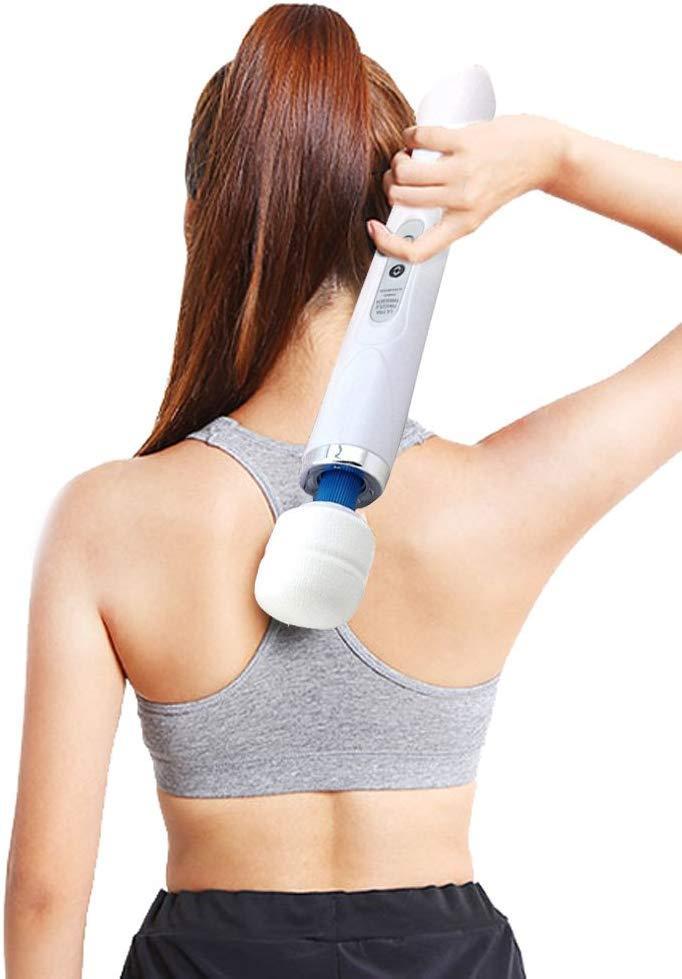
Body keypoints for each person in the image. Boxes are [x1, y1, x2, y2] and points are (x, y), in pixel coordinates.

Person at [5, 5, 680, 978]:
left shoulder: (105, 523)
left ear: (199, 223)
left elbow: (42, 900)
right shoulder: (497, 501)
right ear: (410, 230)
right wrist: (554, 158)